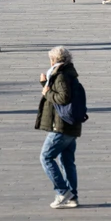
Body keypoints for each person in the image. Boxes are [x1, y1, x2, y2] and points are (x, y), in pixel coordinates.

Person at [36, 46, 84, 209]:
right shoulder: (68, 73)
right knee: (67, 160)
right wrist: (45, 83)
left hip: (61, 126)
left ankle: (62, 191)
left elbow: (63, 97)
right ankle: (72, 197)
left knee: (46, 157)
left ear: (53, 60)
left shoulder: (61, 75)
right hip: (71, 125)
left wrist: (45, 92)